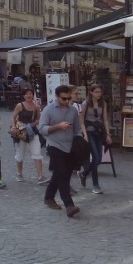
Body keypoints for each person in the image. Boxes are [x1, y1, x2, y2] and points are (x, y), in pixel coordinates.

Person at [40, 84, 84, 217]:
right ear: (57, 97)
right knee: (62, 174)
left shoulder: (73, 110)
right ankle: (69, 205)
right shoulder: (48, 110)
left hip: (70, 146)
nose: (67, 101)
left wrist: (79, 140)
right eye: (64, 98)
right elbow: (42, 129)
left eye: (68, 98)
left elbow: (77, 129)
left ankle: (49, 197)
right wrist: (58, 126)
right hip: (54, 145)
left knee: (61, 173)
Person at [78, 84, 111, 195]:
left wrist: (108, 134)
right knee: (95, 157)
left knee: (99, 159)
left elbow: (105, 119)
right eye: (96, 92)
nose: (98, 94)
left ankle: (83, 174)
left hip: (99, 132)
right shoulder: (85, 104)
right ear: (91, 92)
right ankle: (95, 185)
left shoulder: (103, 104)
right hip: (89, 131)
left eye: (100, 92)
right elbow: (81, 120)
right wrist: (84, 134)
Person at [10, 88, 45, 184]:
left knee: (37, 153)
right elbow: (13, 117)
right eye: (27, 94)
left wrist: (36, 122)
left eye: (30, 93)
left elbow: (38, 118)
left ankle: (40, 176)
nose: (29, 95)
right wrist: (13, 127)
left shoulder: (36, 106)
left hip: (32, 131)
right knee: (20, 154)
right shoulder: (20, 105)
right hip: (21, 132)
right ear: (24, 96)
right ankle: (19, 173)